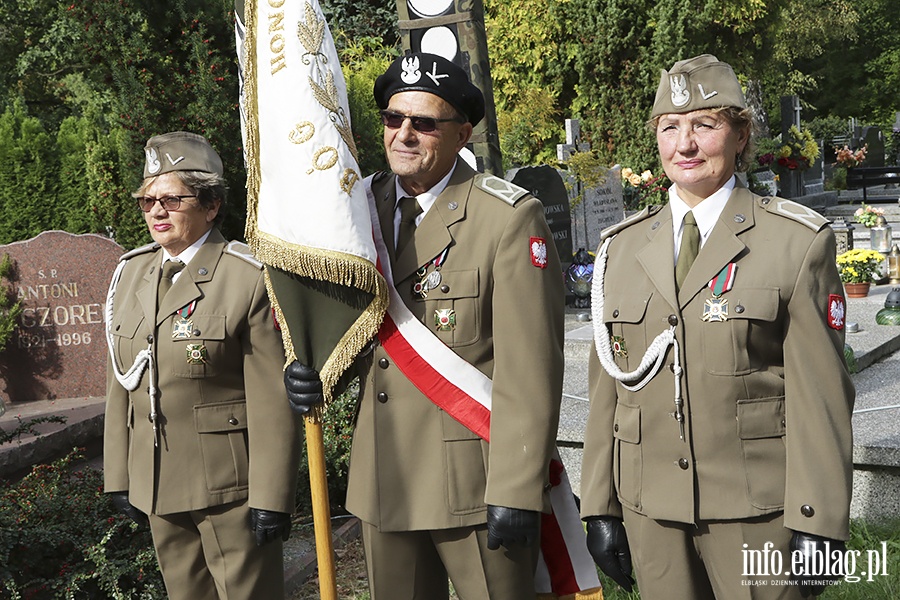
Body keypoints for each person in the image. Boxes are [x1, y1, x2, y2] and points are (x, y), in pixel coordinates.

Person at [285, 52, 565, 599]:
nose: (404, 134)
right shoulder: (354, 213)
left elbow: (531, 370)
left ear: (462, 134)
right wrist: (314, 372)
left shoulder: (505, 218)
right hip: (384, 477)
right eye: (394, 119)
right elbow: (344, 330)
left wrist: (517, 485)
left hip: (476, 482)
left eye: (424, 123)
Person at [580, 54, 855, 599]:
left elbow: (820, 394)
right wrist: (600, 505)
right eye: (670, 128)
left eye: (704, 125)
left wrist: (817, 517)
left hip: (756, 510)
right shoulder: (620, 248)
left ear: (740, 134)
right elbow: (607, 389)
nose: (685, 145)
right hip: (650, 509)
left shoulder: (795, 242)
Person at [103, 131, 301, 600]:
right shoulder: (131, 272)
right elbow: (120, 380)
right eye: (147, 200)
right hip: (157, 485)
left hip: (230, 490)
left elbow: (272, 400)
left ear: (210, 205)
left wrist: (272, 498)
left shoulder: (247, 276)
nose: (156, 211)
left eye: (171, 199)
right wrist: (119, 474)